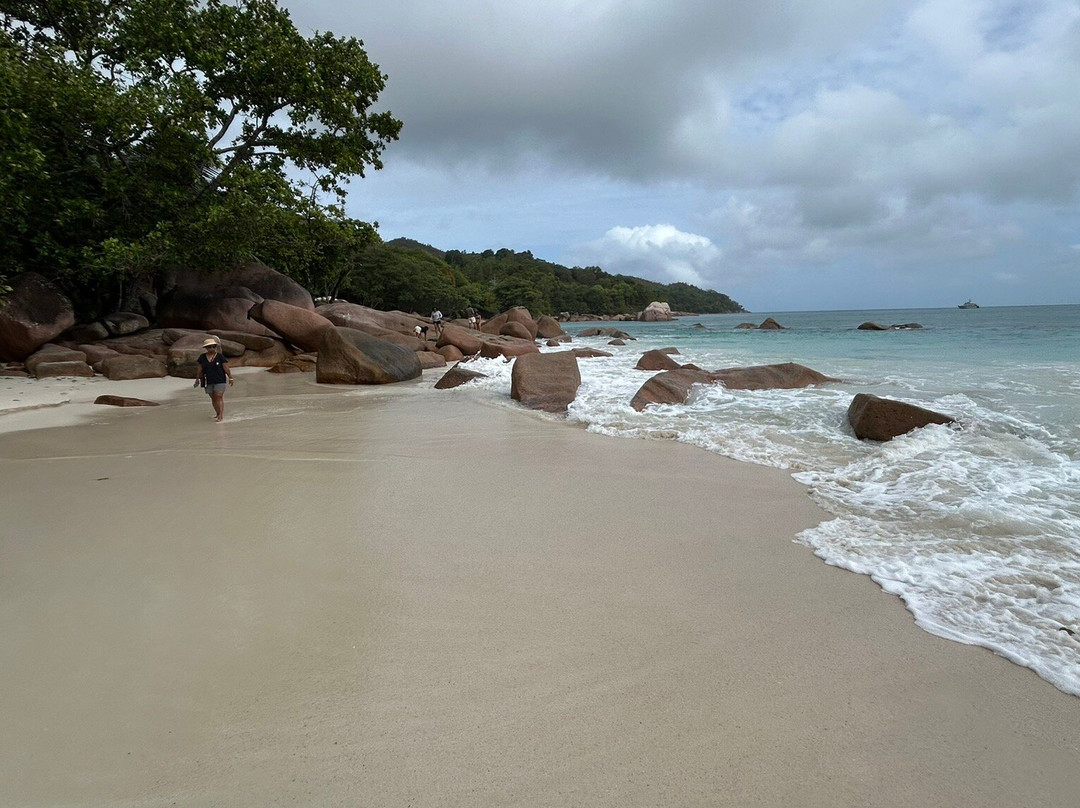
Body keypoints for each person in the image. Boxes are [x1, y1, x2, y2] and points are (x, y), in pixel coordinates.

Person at [194, 338, 233, 422]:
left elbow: (226, 367)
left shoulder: (220, 357)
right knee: (213, 398)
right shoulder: (202, 357)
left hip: (220, 380)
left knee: (218, 396)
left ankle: (220, 416)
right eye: (209, 347)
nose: (212, 348)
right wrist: (197, 379)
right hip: (208, 380)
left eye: (213, 346)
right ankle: (217, 413)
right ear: (206, 348)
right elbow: (199, 368)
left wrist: (230, 377)